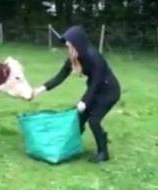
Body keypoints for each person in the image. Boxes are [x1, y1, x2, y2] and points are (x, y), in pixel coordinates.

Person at [32, 25, 121, 163]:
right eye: (68, 46)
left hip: (109, 92)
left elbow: (95, 83)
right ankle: (70, 146)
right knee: (78, 118)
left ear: (78, 44)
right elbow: (60, 77)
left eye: (70, 46)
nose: (69, 49)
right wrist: (41, 89)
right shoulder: (74, 58)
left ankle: (103, 153)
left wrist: (84, 102)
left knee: (93, 120)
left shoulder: (94, 58)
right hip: (95, 90)